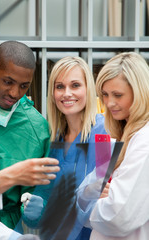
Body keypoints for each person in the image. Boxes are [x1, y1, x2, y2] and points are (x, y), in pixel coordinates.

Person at [0, 40, 58, 230]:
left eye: (24, 86)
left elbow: (41, 193)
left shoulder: (37, 129)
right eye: (8, 82)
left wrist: (38, 208)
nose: (14, 93)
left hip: (7, 228)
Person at [76, 51, 149, 240]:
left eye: (117, 95)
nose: (109, 103)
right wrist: (89, 195)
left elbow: (118, 216)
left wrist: (88, 203)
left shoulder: (143, 140)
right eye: (105, 95)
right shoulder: (110, 135)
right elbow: (83, 193)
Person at [46, 56, 107, 240]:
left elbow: (103, 194)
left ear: (88, 89)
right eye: (59, 86)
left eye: (75, 85)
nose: (66, 93)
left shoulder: (104, 133)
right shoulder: (54, 140)